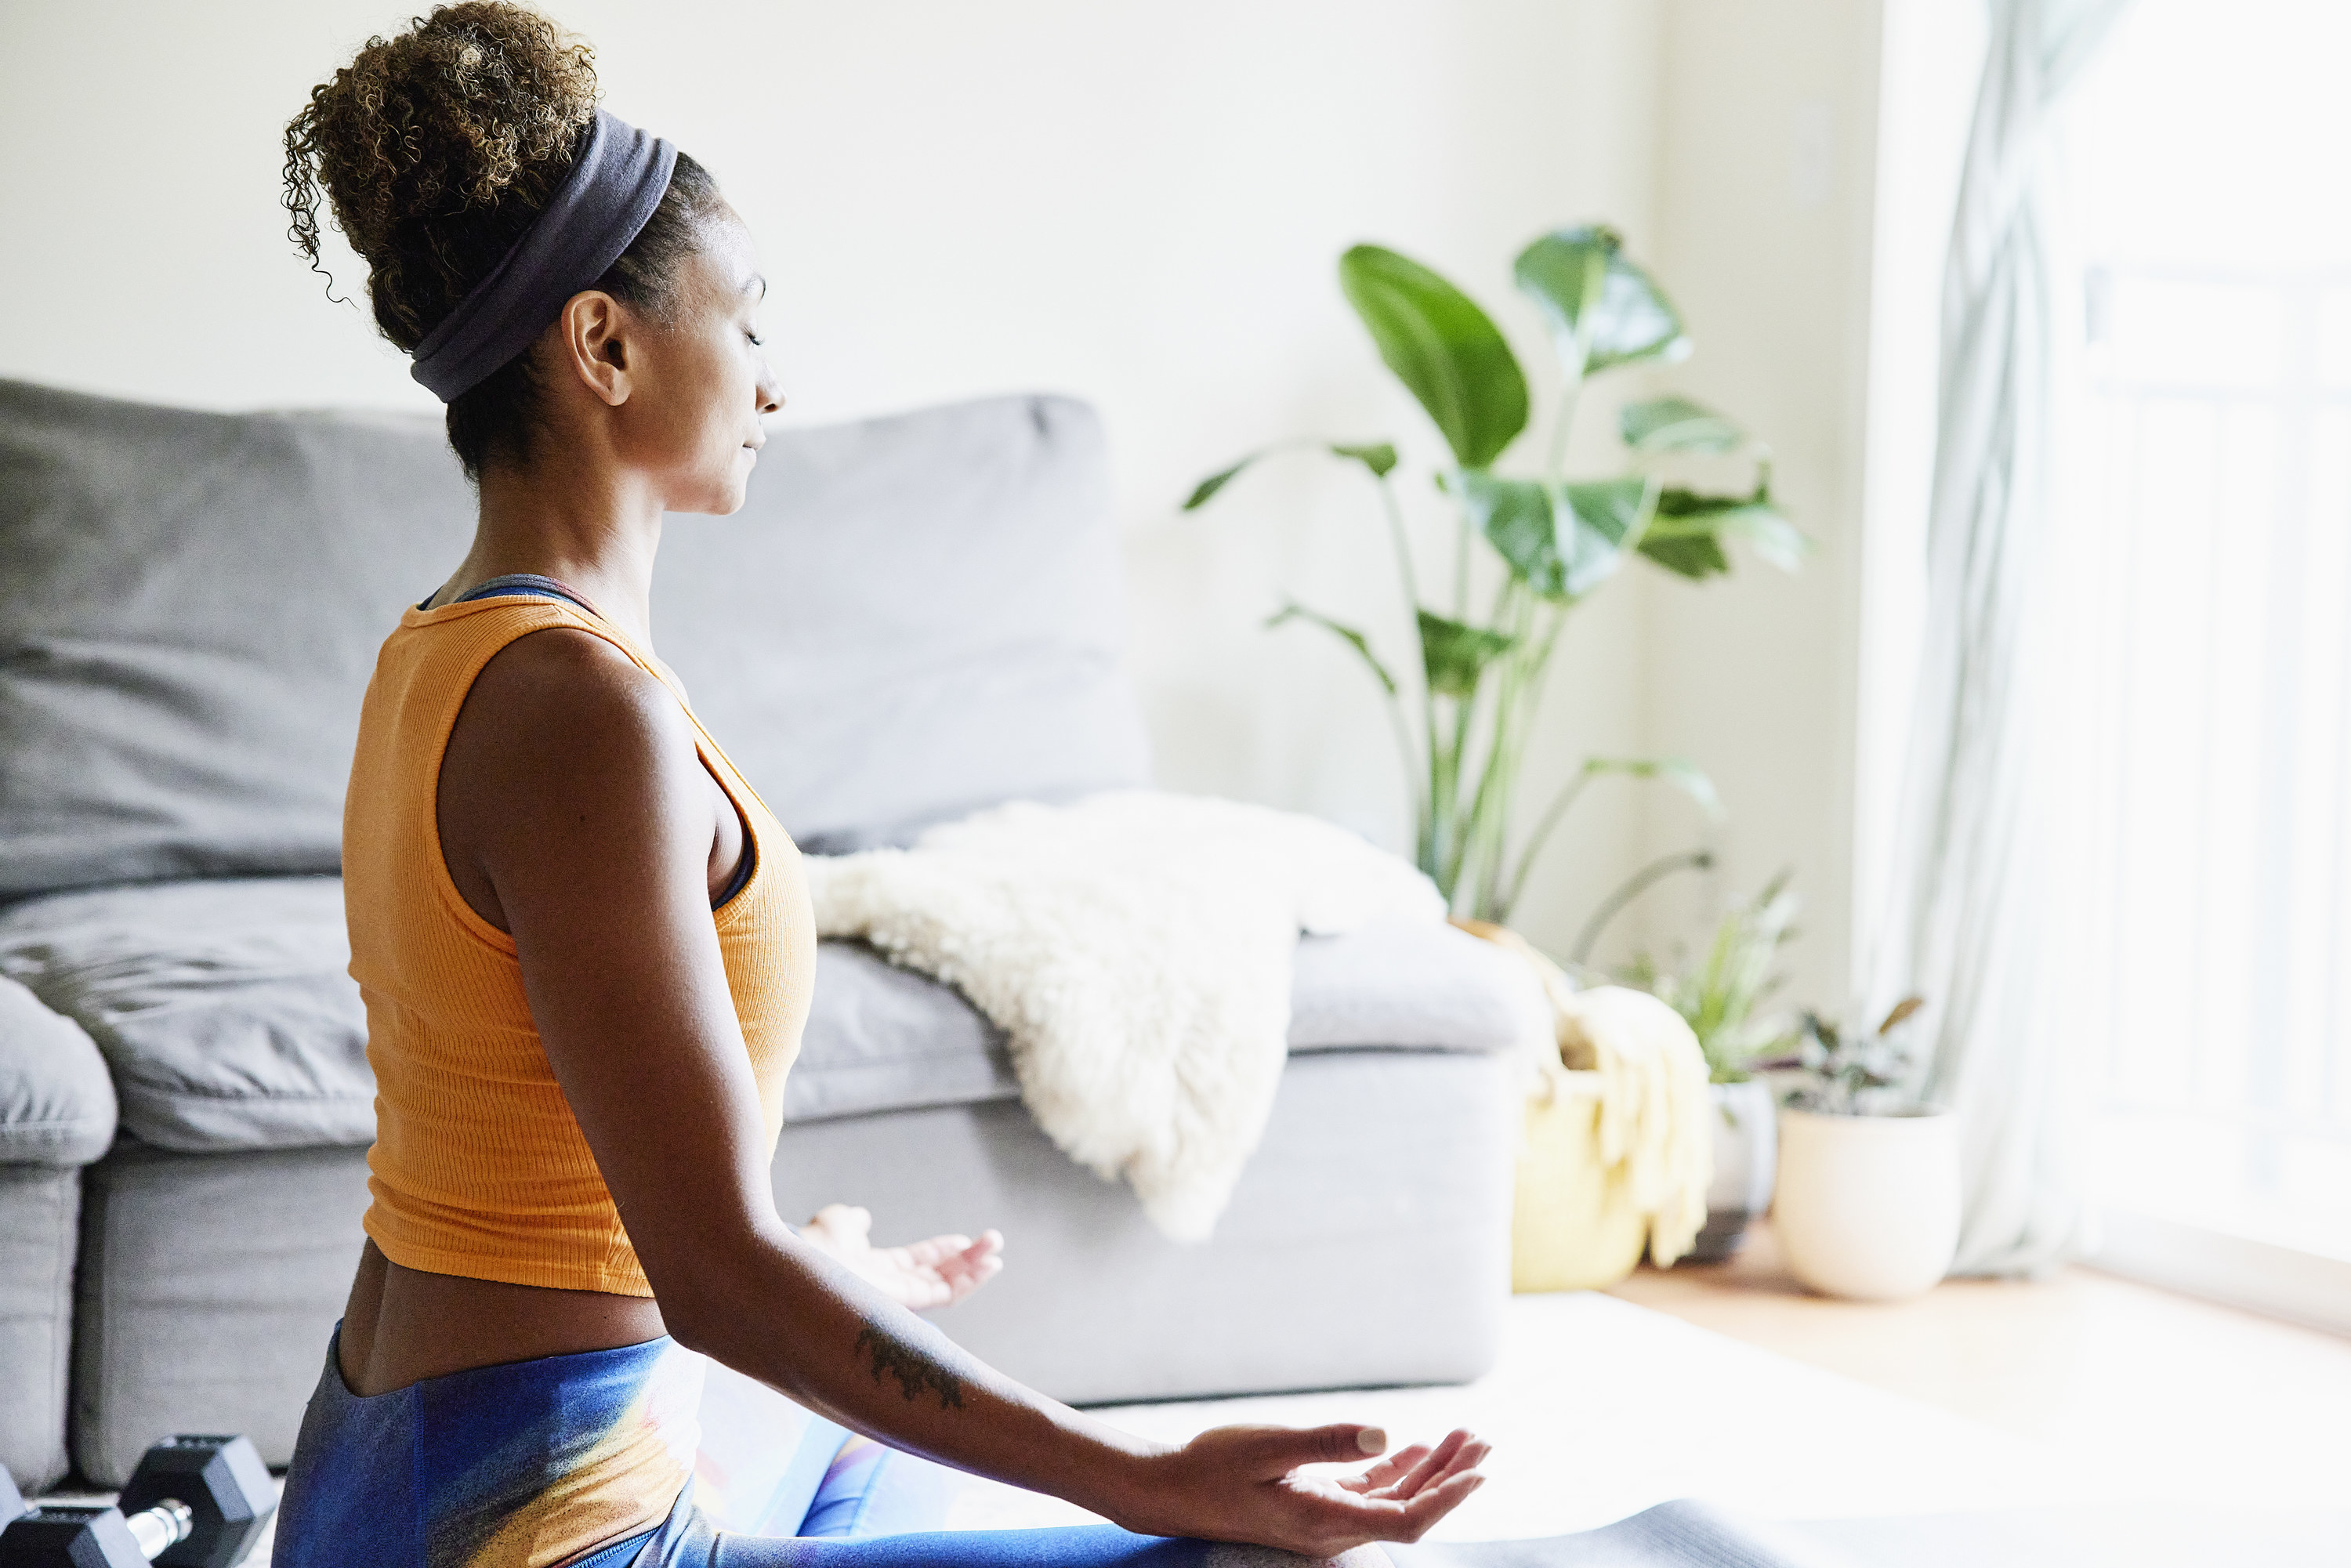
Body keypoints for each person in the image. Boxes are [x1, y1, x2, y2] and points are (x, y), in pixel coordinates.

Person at [272, 7, 1488, 1566]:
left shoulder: (442, 651)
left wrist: (807, 1264)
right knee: (1232, 1549)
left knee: (875, 1427)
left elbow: (577, 1193)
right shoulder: (579, 711)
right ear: (606, 345)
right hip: (523, 1524)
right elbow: (712, 1278)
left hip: (409, 1467)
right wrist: (1147, 1473)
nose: (774, 383)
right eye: (753, 322)